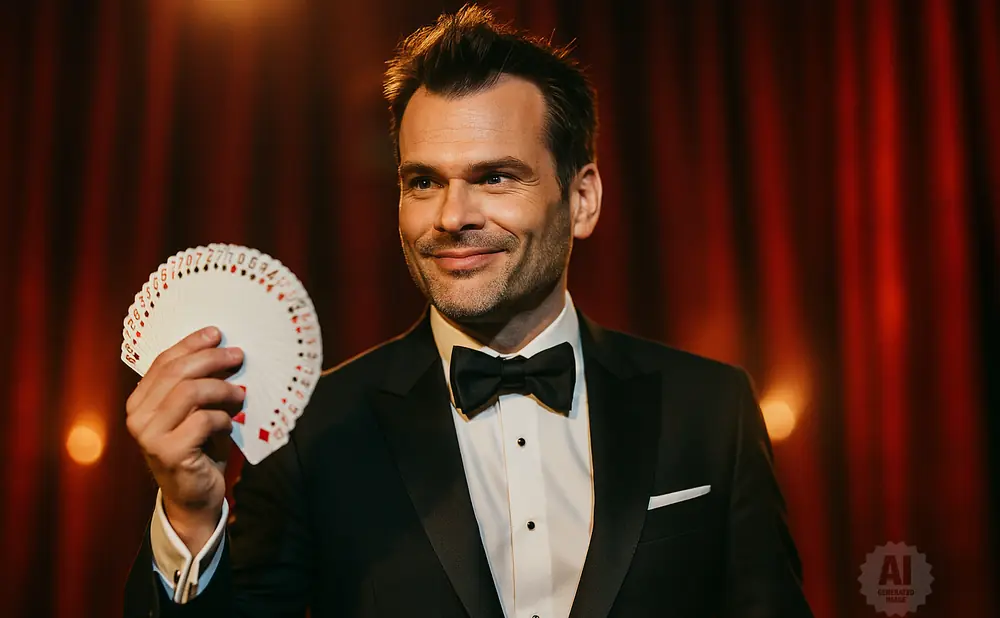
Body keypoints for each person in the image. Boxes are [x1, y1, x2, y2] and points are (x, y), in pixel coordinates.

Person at [123, 5, 813, 617]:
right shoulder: (317, 432)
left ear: (582, 200)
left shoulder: (710, 410)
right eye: (423, 181)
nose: (451, 217)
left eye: (495, 177)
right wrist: (188, 514)